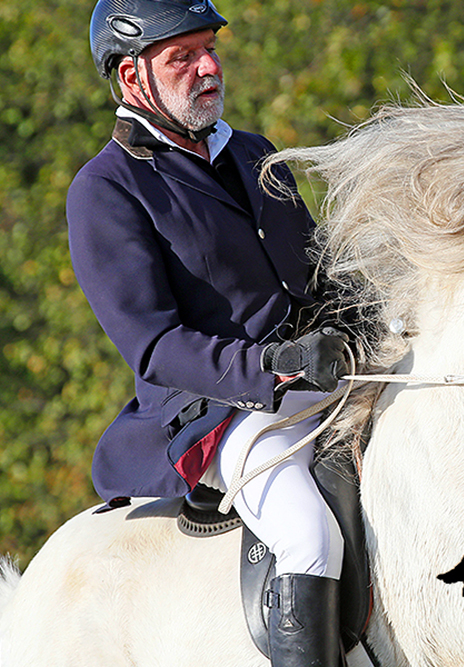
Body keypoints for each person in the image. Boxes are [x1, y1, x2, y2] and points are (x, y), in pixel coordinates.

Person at [68, 1, 349, 664]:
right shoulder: (105, 189)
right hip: (219, 409)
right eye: (182, 58)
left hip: (316, 372)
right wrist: (271, 366)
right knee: (308, 531)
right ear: (132, 78)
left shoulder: (252, 151)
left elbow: (315, 272)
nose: (209, 67)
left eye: (209, 49)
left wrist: (358, 314)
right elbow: (155, 345)